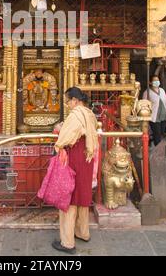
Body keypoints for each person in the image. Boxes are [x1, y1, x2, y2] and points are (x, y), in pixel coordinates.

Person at [52, 87, 98, 254]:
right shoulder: (89, 113)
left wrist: (58, 136)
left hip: (75, 157)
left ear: (75, 100)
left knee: (69, 197)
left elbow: (65, 138)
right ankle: (82, 232)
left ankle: (67, 242)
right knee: (82, 195)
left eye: (68, 101)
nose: (67, 104)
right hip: (86, 158)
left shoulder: (75, 115)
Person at [143, 76, 166, 146]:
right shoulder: (147, 92)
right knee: (157, 136)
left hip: (163, 116)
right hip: (154, 117)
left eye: (158, 80)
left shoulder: (162, 90)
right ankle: (157, 151)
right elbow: (144, 105)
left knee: (161, 134)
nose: (157, 82)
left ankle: (158, 149)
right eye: (154, 81)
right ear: (150, 82)